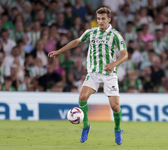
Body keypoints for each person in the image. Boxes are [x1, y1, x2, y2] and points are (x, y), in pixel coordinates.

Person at [48, 7, 128, 145]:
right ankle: (86, 126)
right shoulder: (91, 32)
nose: (101, 21)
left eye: (103, 19)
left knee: (115, 107)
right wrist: (60, 51)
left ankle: (117, 128)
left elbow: (125, 55)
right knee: (82, 97)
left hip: (109, 74)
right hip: (94, 73)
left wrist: (114, 64)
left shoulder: (115, 35)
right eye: (98, 19)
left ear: (109, 19)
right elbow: (77, 41)